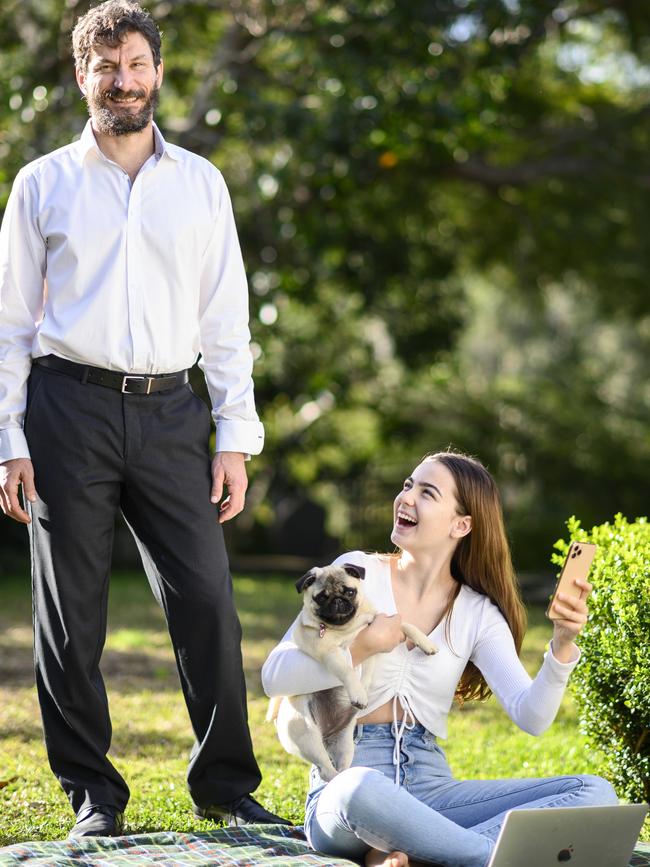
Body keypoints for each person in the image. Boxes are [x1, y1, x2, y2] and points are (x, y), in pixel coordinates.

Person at [0, 0, 289, 838]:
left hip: (172, 413)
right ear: (81, 75)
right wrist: (8, 440)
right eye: (105, 68)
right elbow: (11, 324)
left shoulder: (200, 183)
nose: (121, 83)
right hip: (65, 411)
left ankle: (227, 786)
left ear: (157, 72)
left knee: (207, 598)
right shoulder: (42, 183)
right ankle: (94, 793)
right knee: (71, 617)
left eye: (135, 66)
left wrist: (235, 434)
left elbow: (226, 318)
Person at [262, 451, 618, 867]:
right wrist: (364, 645)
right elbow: (275, 677)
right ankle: (482, 856)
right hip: (347, 785)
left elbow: (532, 717)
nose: (405, 498)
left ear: (461, 524)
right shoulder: (356, 573)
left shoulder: (477, 613)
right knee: (360, 787)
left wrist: (561, 644)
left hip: (430, 791)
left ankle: (419, 851)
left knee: (593, 792)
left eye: (426, 492)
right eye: (408, 485)